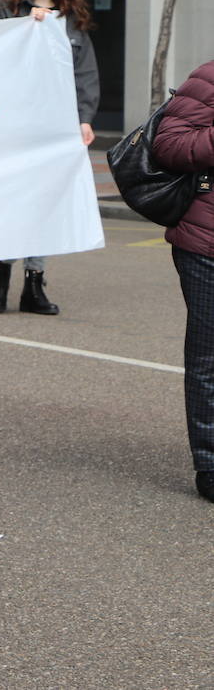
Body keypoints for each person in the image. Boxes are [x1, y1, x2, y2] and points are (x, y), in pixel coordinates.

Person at [0, 0, 99, 315]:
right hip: (12, 122)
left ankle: (34, 284)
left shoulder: (72, 18)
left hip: (53, 126)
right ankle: (1, 277)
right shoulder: (8, 9)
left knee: (42, 202)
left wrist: (84, 118)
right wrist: (21, 28)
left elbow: (85, 75)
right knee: (12, 198)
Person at [153, 61, 214, 504]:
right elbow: (169, 145)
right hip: (206, 245)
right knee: (209, 358)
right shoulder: (209, 77)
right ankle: (210, 464)